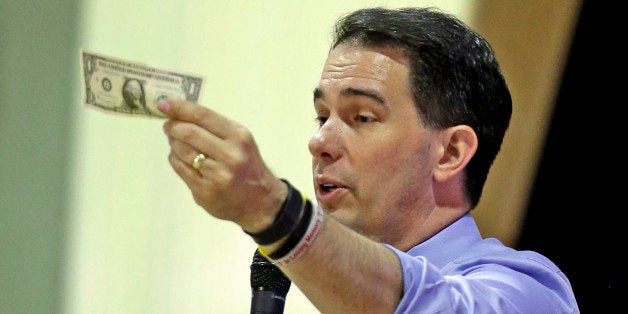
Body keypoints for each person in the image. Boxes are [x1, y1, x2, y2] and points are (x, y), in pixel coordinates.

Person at [157, 6, 579, 313]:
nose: (319, 140)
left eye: (361, 117)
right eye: (322, 116)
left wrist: (273, 210)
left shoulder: (526, 293)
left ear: (450, 153)